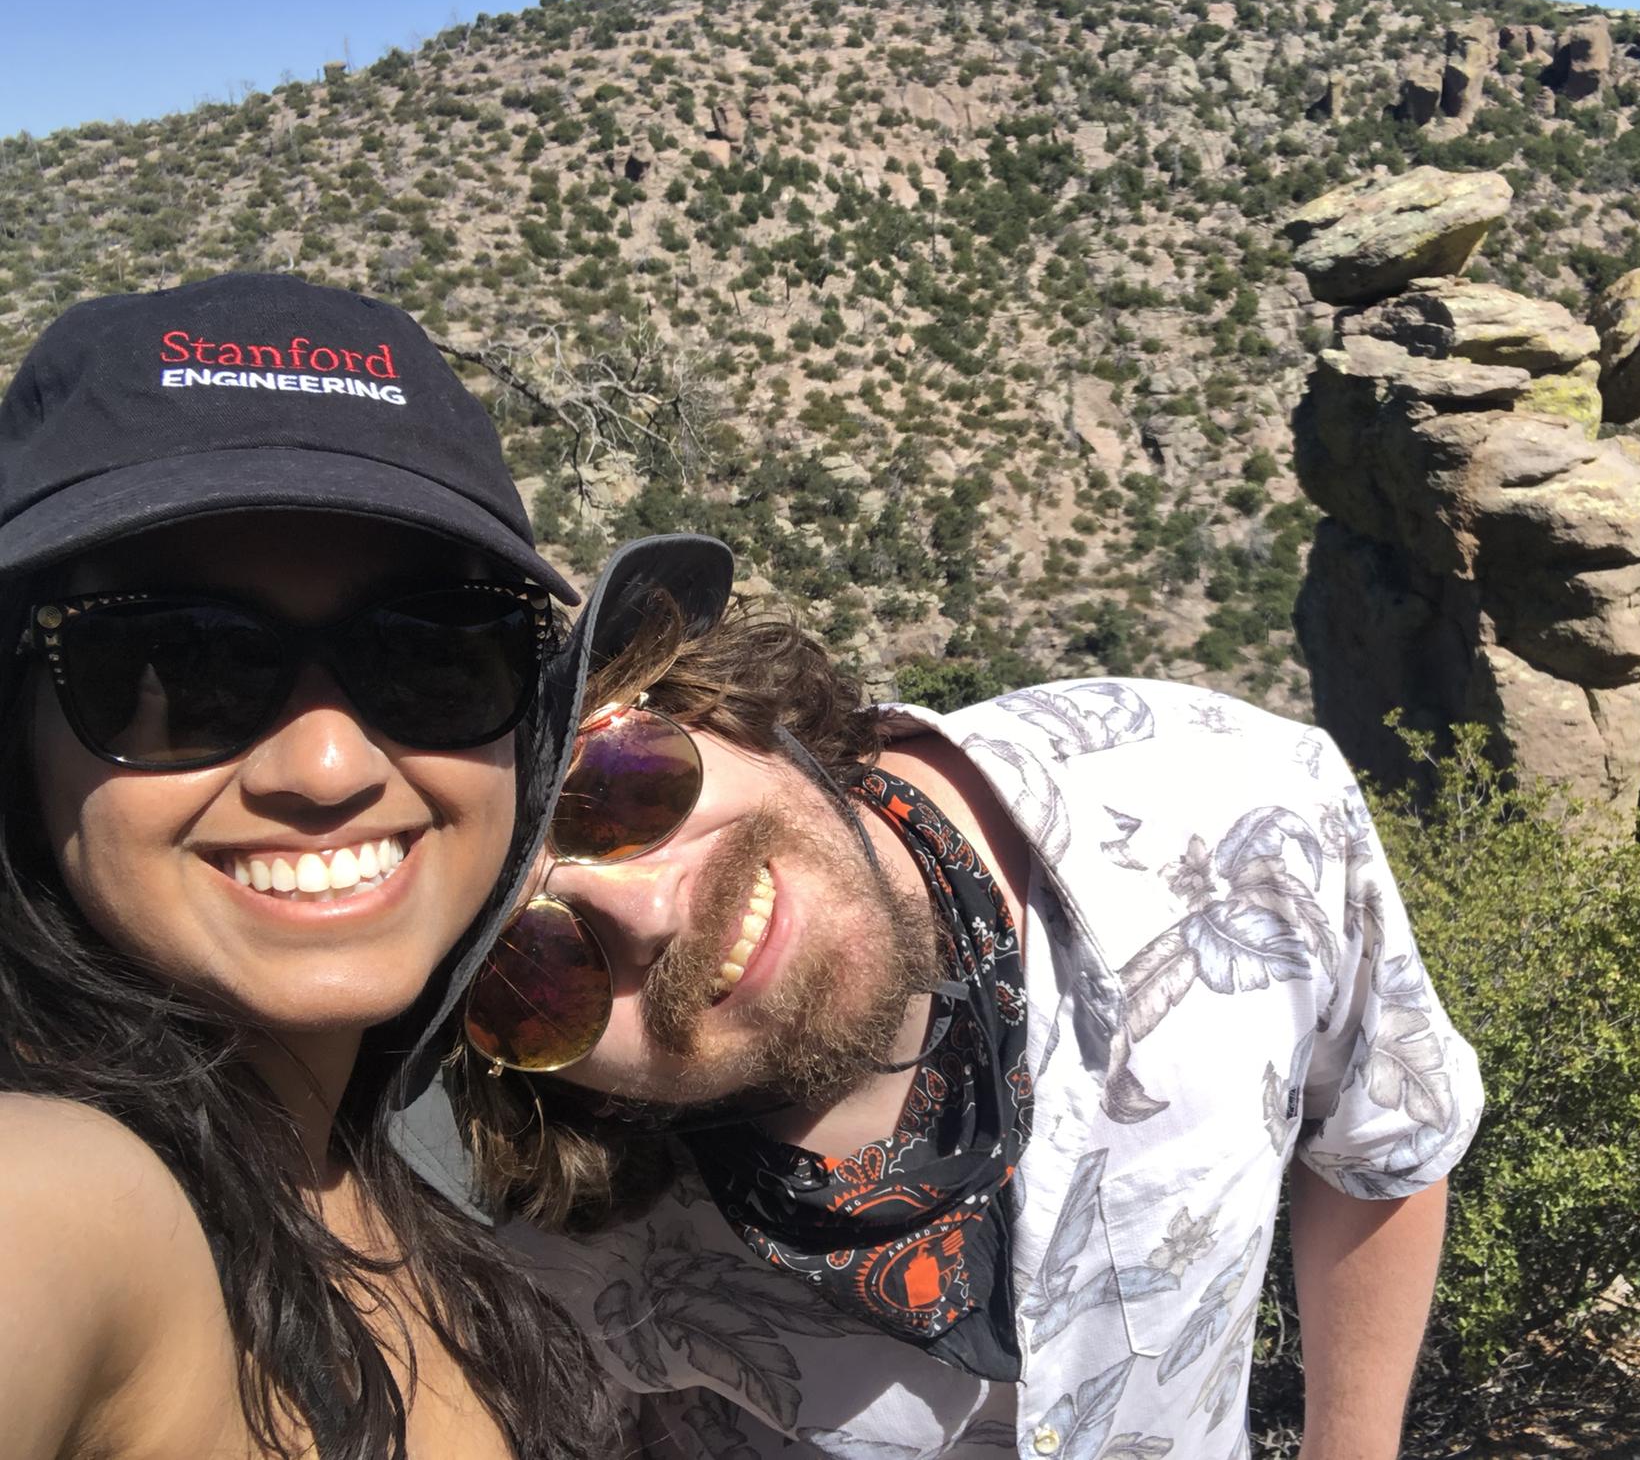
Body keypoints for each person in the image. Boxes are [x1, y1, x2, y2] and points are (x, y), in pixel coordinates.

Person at [404, 535, 1484, 1459]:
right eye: (522, 964)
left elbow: (1381, 1136)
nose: (645, 912)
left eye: (617, 783)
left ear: (702, 700)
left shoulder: (1227, 803)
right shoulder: (549, 1240)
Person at [0, 272, 620, 1459]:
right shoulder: (70, 1201)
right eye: (179, 665)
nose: (329, 763)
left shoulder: (401, 1171)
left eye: (435, 651)